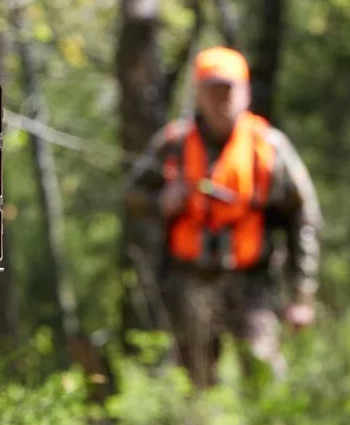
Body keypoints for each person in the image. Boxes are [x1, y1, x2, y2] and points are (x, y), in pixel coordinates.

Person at [124, 46, 322, 389]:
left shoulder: (269, 147)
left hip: (252, 280)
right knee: (193, 380)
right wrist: (162, 202)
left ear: (245, 92)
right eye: (213, 90)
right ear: (198, 93)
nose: (222, 100)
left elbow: (304, 217)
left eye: (229, 90)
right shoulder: (173, 144)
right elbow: (133, 196)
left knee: (264, 374)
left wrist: (302, 295)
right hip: (189, 280)